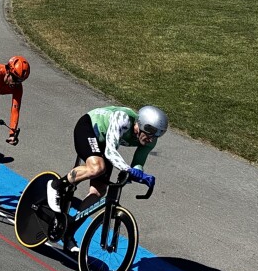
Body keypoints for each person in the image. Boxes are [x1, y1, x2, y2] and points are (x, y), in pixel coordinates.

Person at [46, 105, 167, 252]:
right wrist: (127, 169)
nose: (151, 139)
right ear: (139, 124)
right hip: (89, 128)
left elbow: (138, 163)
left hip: (103, 144)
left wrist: (141, 176)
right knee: (97, 168)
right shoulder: (123, 118)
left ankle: (69, 232)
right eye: (149, 134)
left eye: (156, 136)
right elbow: (110, 151)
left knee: (99, 192)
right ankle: (56, 185)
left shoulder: (150, 141)